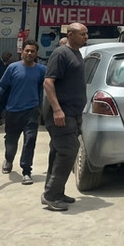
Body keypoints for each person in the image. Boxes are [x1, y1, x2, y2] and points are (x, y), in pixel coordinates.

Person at [41, 22, 88, 211]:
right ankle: (52, 195)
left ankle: (54, 191)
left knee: (57, 151)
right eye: (82, 34)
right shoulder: (61, 53)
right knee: (69, 150)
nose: (86, 37)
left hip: (73, 113)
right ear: (70, 34)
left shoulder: (76, 53)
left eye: (86, 34)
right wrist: (57, 110)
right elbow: (48, 83)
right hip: (62, 113)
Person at [0, 42, 46, 185]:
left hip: (32, 111)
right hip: (13, 111)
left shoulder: (41, 70)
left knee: (30, 140)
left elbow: (52, 83)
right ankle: (8, 159)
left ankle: (26, 171)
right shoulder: (13, 68)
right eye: (27, 51)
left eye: (32, 51)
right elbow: (2, 85)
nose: (29, 53)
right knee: (11, 141)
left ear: (36, 53)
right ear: (22, 52)